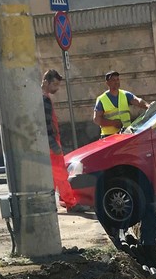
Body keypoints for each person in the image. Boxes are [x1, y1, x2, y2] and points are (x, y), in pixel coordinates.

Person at [42, 69, 84, 212]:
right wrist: (53, 144)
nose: (56, 88)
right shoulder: (44, 99)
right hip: (51, 143)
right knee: (61, 174)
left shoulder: (42, 97)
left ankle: (49, 204)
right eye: (54, 84)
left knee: (53, 177)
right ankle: (71, 203)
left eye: (58, 85)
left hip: (49, 143)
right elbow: (46, 124)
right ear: (45, 81)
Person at [93, 71, 149, 138]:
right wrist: (113, 123)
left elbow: (137, 101)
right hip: (109, 136)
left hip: (126, 133)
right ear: (107, 83)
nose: (116, 82)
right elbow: (97, 119)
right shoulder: (101, 99)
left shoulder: (125, 94)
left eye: (117, 79)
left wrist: (148, 106)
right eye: (113, 80)